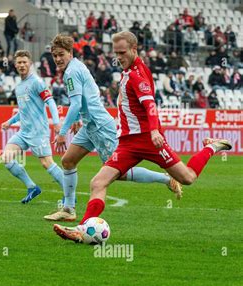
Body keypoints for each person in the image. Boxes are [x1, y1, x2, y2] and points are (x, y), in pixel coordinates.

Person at [53, 31, 232, 242]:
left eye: (122, 52)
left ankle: (210, 147)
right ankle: (82, 229)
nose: (118, 57)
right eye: (116, 53)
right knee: (98, 182)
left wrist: (154, 130)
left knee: (188, 177)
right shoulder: (127, 71)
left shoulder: (137, 75)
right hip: (127, 143)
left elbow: (150, 105)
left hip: (149, 140)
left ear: (134, 49)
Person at [44, 34, 181, 223]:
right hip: (90, 124)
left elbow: (75, 104)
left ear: (70, 52)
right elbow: (87, 97)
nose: (58, 59)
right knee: (68, 161)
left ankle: (166, 179)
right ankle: (68, 209)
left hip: (99, 125)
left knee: (119, 174)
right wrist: (78, 119)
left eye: (61, 54)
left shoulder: (71, 72)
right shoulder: (76, 67)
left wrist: (62, 132)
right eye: (54, 56)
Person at [0, 50, 62, 204]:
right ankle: (32, 187)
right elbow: (23, 111)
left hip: (38, 131)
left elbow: (51, 102)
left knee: (47, 163)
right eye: (19, 62)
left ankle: (69, 194)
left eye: (24, 62)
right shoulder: (19, 87)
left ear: (30, 64)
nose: (22, 65)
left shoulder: (37, 82)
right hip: (24, 132)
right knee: (6, 157)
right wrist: (10, 122)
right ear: (15, 65)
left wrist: (56, 122)